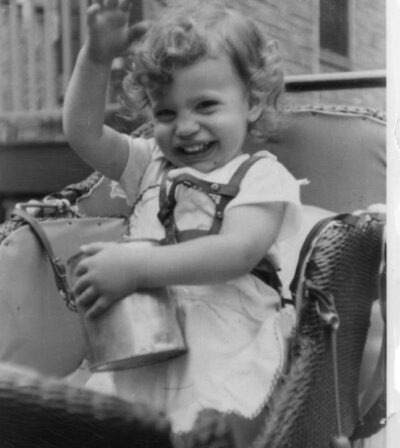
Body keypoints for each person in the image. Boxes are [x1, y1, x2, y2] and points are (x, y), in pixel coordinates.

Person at [63, 0, 303, 437]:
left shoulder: (260, 176)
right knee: (110, 425)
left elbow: (236, 252)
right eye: (166, 113)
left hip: (227, 344)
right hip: (146, 341)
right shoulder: (150, 164)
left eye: (206, 106)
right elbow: (83, 133)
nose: (186, 127)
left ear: (251, 103)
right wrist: (96, 58)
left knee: (203, 429)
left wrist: (136, 268)